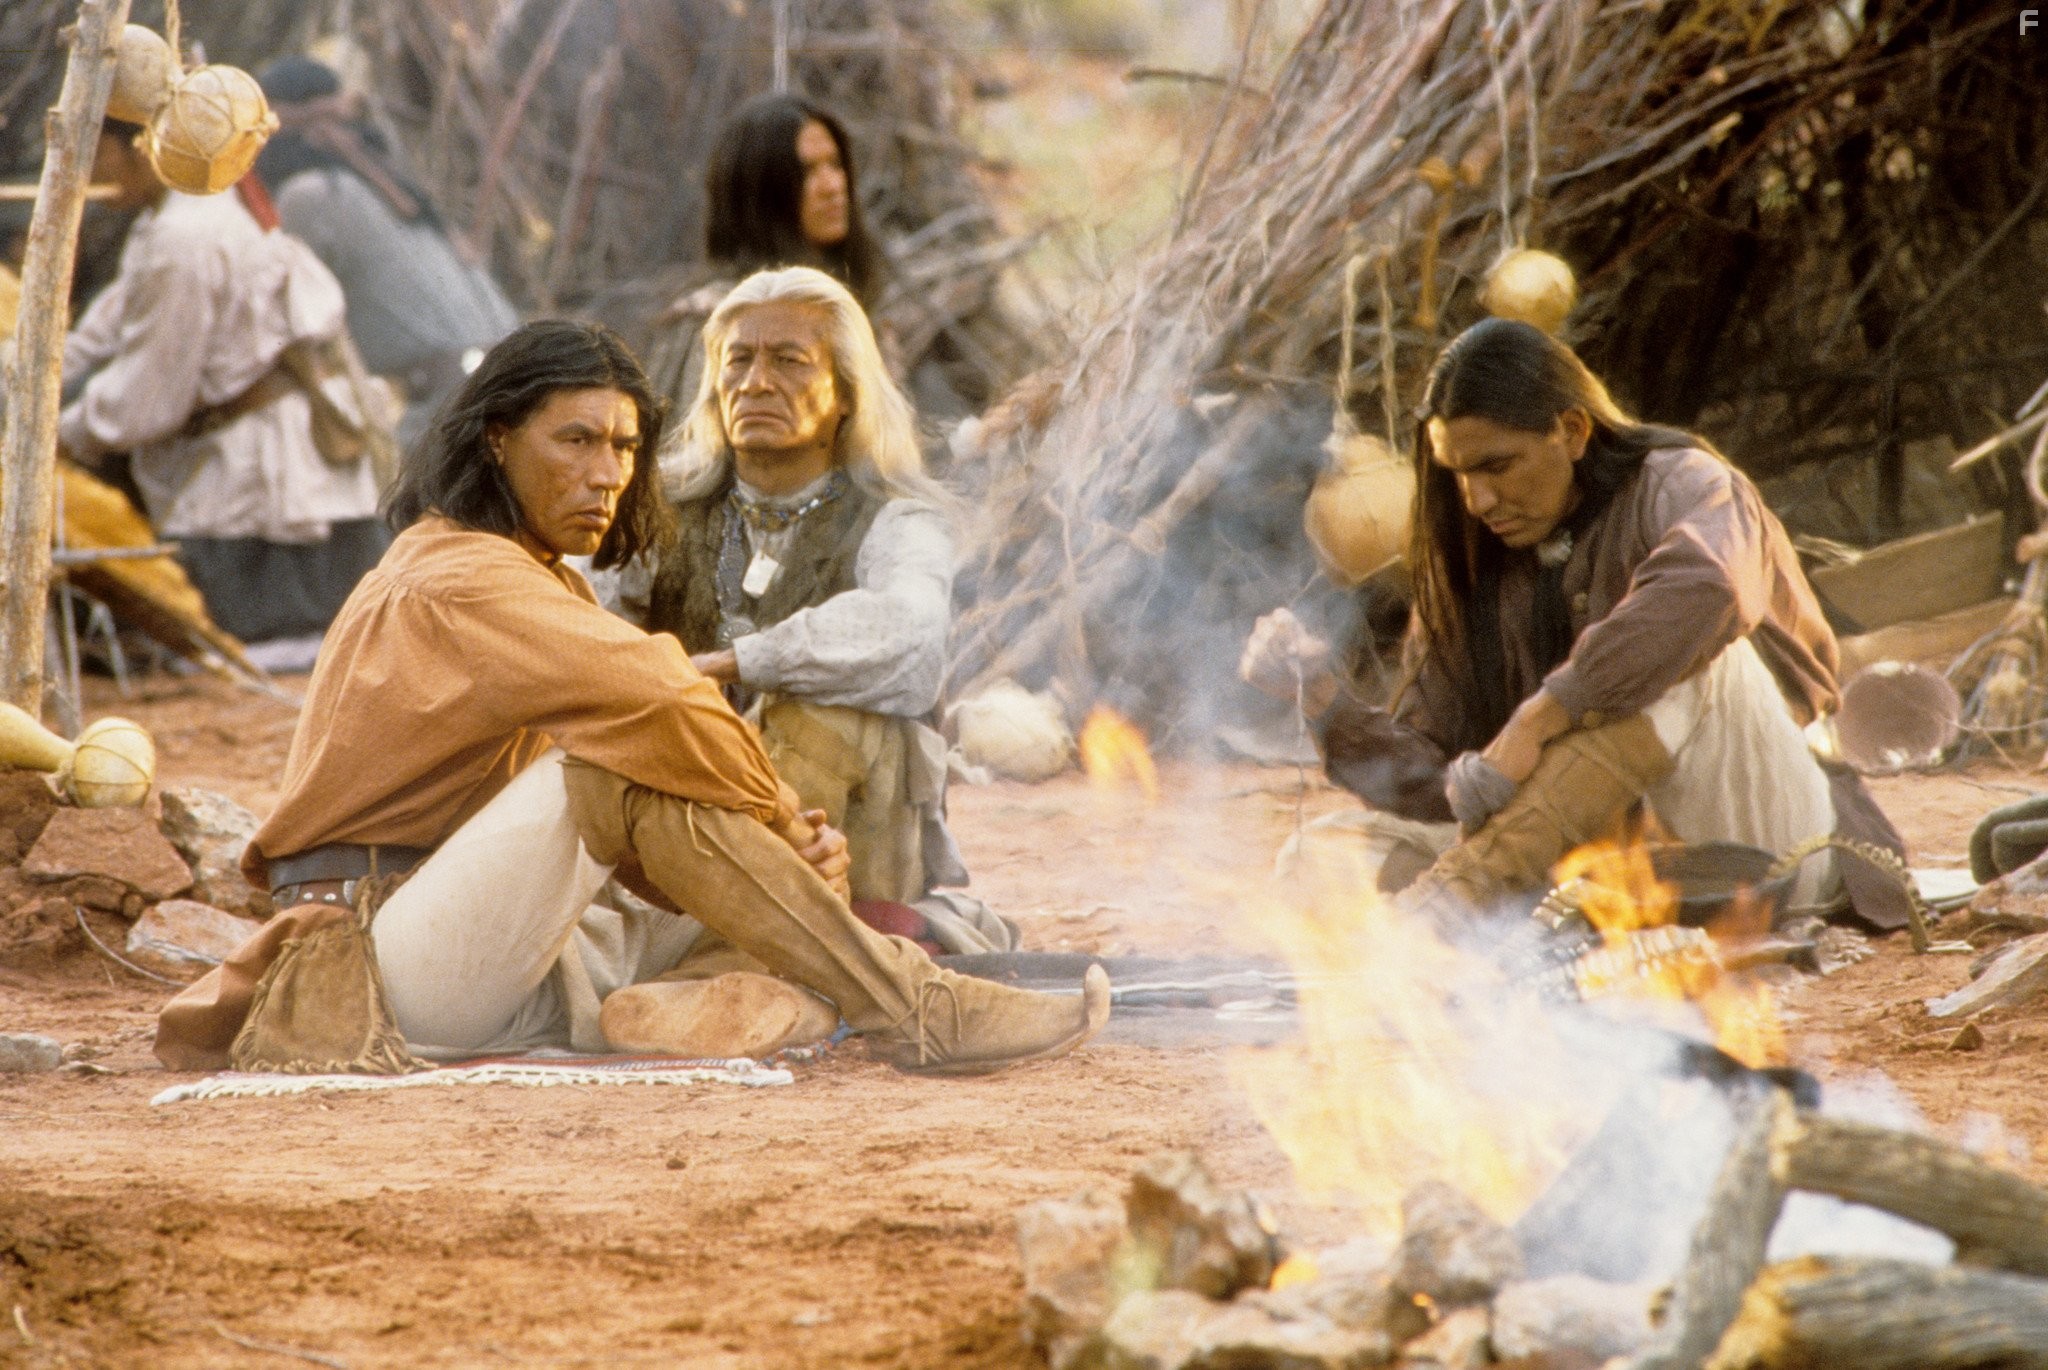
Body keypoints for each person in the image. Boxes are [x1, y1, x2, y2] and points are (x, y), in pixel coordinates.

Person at [155, 319, 1105, 1072]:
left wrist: (786, 851)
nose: (608, 472)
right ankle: (912, 1006)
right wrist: (777, 817)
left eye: (622, 445)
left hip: (499, 946)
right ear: (496, 439)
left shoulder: (536, 576)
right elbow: (657, 693)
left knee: (698, 825)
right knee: (611, 759)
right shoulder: (458, 576)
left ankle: (716, 996)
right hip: (376, 958)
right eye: (576, 440)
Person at [1242, 318, 1909, 928]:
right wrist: (1327, 703)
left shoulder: (1685, 480)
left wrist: (1544, 714)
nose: (1477, 500)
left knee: (1676, 657)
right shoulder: (1470, 555)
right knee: (1314, 859)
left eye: (1497, 466)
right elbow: (1443, 784)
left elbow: (1711, 586)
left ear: (1572, 431)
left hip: (1760, 844)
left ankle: (1446, 909)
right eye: (1458, 474)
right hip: (1585, 858)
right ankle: (1488, 914)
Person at [612, 266, 1012, 956]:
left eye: (790, 361)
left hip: (853, 849)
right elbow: (584, 629)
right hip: (686, 825)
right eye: (738, 360)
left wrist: (735, 662)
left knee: (825, 708)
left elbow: (910, 636)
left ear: (846, 396)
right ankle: (713, 939)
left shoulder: (900, 521)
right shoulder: (653, 513)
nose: (757, 381)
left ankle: (744, 943)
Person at [58, 117, 386, 650]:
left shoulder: (182, 237)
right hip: (266, 463)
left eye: (98, 155)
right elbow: (93, 339)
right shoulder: (172, 222)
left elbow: (148, 396)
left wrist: (63, 434)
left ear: (142, 149)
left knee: (275, 652)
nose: (89, 172)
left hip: (259, 482)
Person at [256, 57, 519, 448]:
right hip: (510, 382)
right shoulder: (381, 180)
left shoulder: (309, 196)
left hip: (452, 405)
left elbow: (287, 328)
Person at [641, 93, 883, 418]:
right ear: (761, 191)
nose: (832, 186)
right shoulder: (715, 322)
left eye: (836, 164)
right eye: (807, 171)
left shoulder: (849, 313)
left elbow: (884, 442)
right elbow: (683, 454)